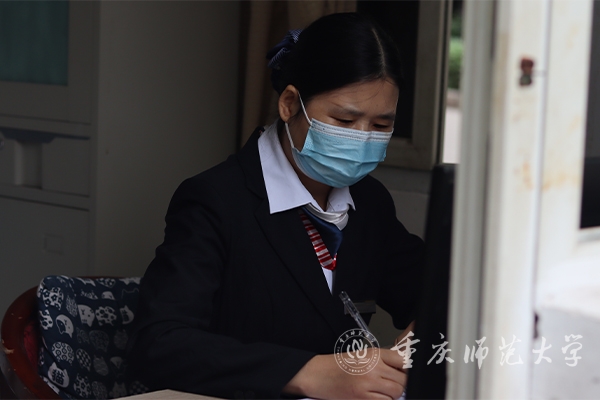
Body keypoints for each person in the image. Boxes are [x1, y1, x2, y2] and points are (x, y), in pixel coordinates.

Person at [127, 12, 424, 399]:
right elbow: (159, 344)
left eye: (381, 126)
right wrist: (306, 372)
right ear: (289, 104)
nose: (363, 139)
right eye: (344, 120)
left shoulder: (369, 201)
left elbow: (436, 289)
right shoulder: (216, 200)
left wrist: (426, 334)